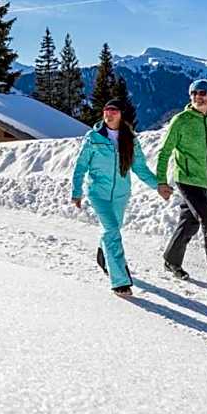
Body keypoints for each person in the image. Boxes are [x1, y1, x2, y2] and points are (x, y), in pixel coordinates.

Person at [156, 79, 207, 303]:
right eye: (193, 93)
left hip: (206, 182)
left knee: (189, 222)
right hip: (186, 180)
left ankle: (171, 260)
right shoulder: (180, 121)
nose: (198, 97)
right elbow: (165, 152)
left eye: (202, 93)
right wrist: (161, 181)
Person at [71, 98, 162, 297]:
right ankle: (120, 281)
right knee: (112, 230)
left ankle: (103, 256)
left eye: (114, 110)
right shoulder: (93, 137)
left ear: (122, 115)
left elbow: (139, 168)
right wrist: (76, 191)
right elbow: (80, 166)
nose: (109, 113)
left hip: (121, 194)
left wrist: (159, 186)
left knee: (111, 231)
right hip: (98, 193)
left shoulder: (130, 139)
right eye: (106, 109)